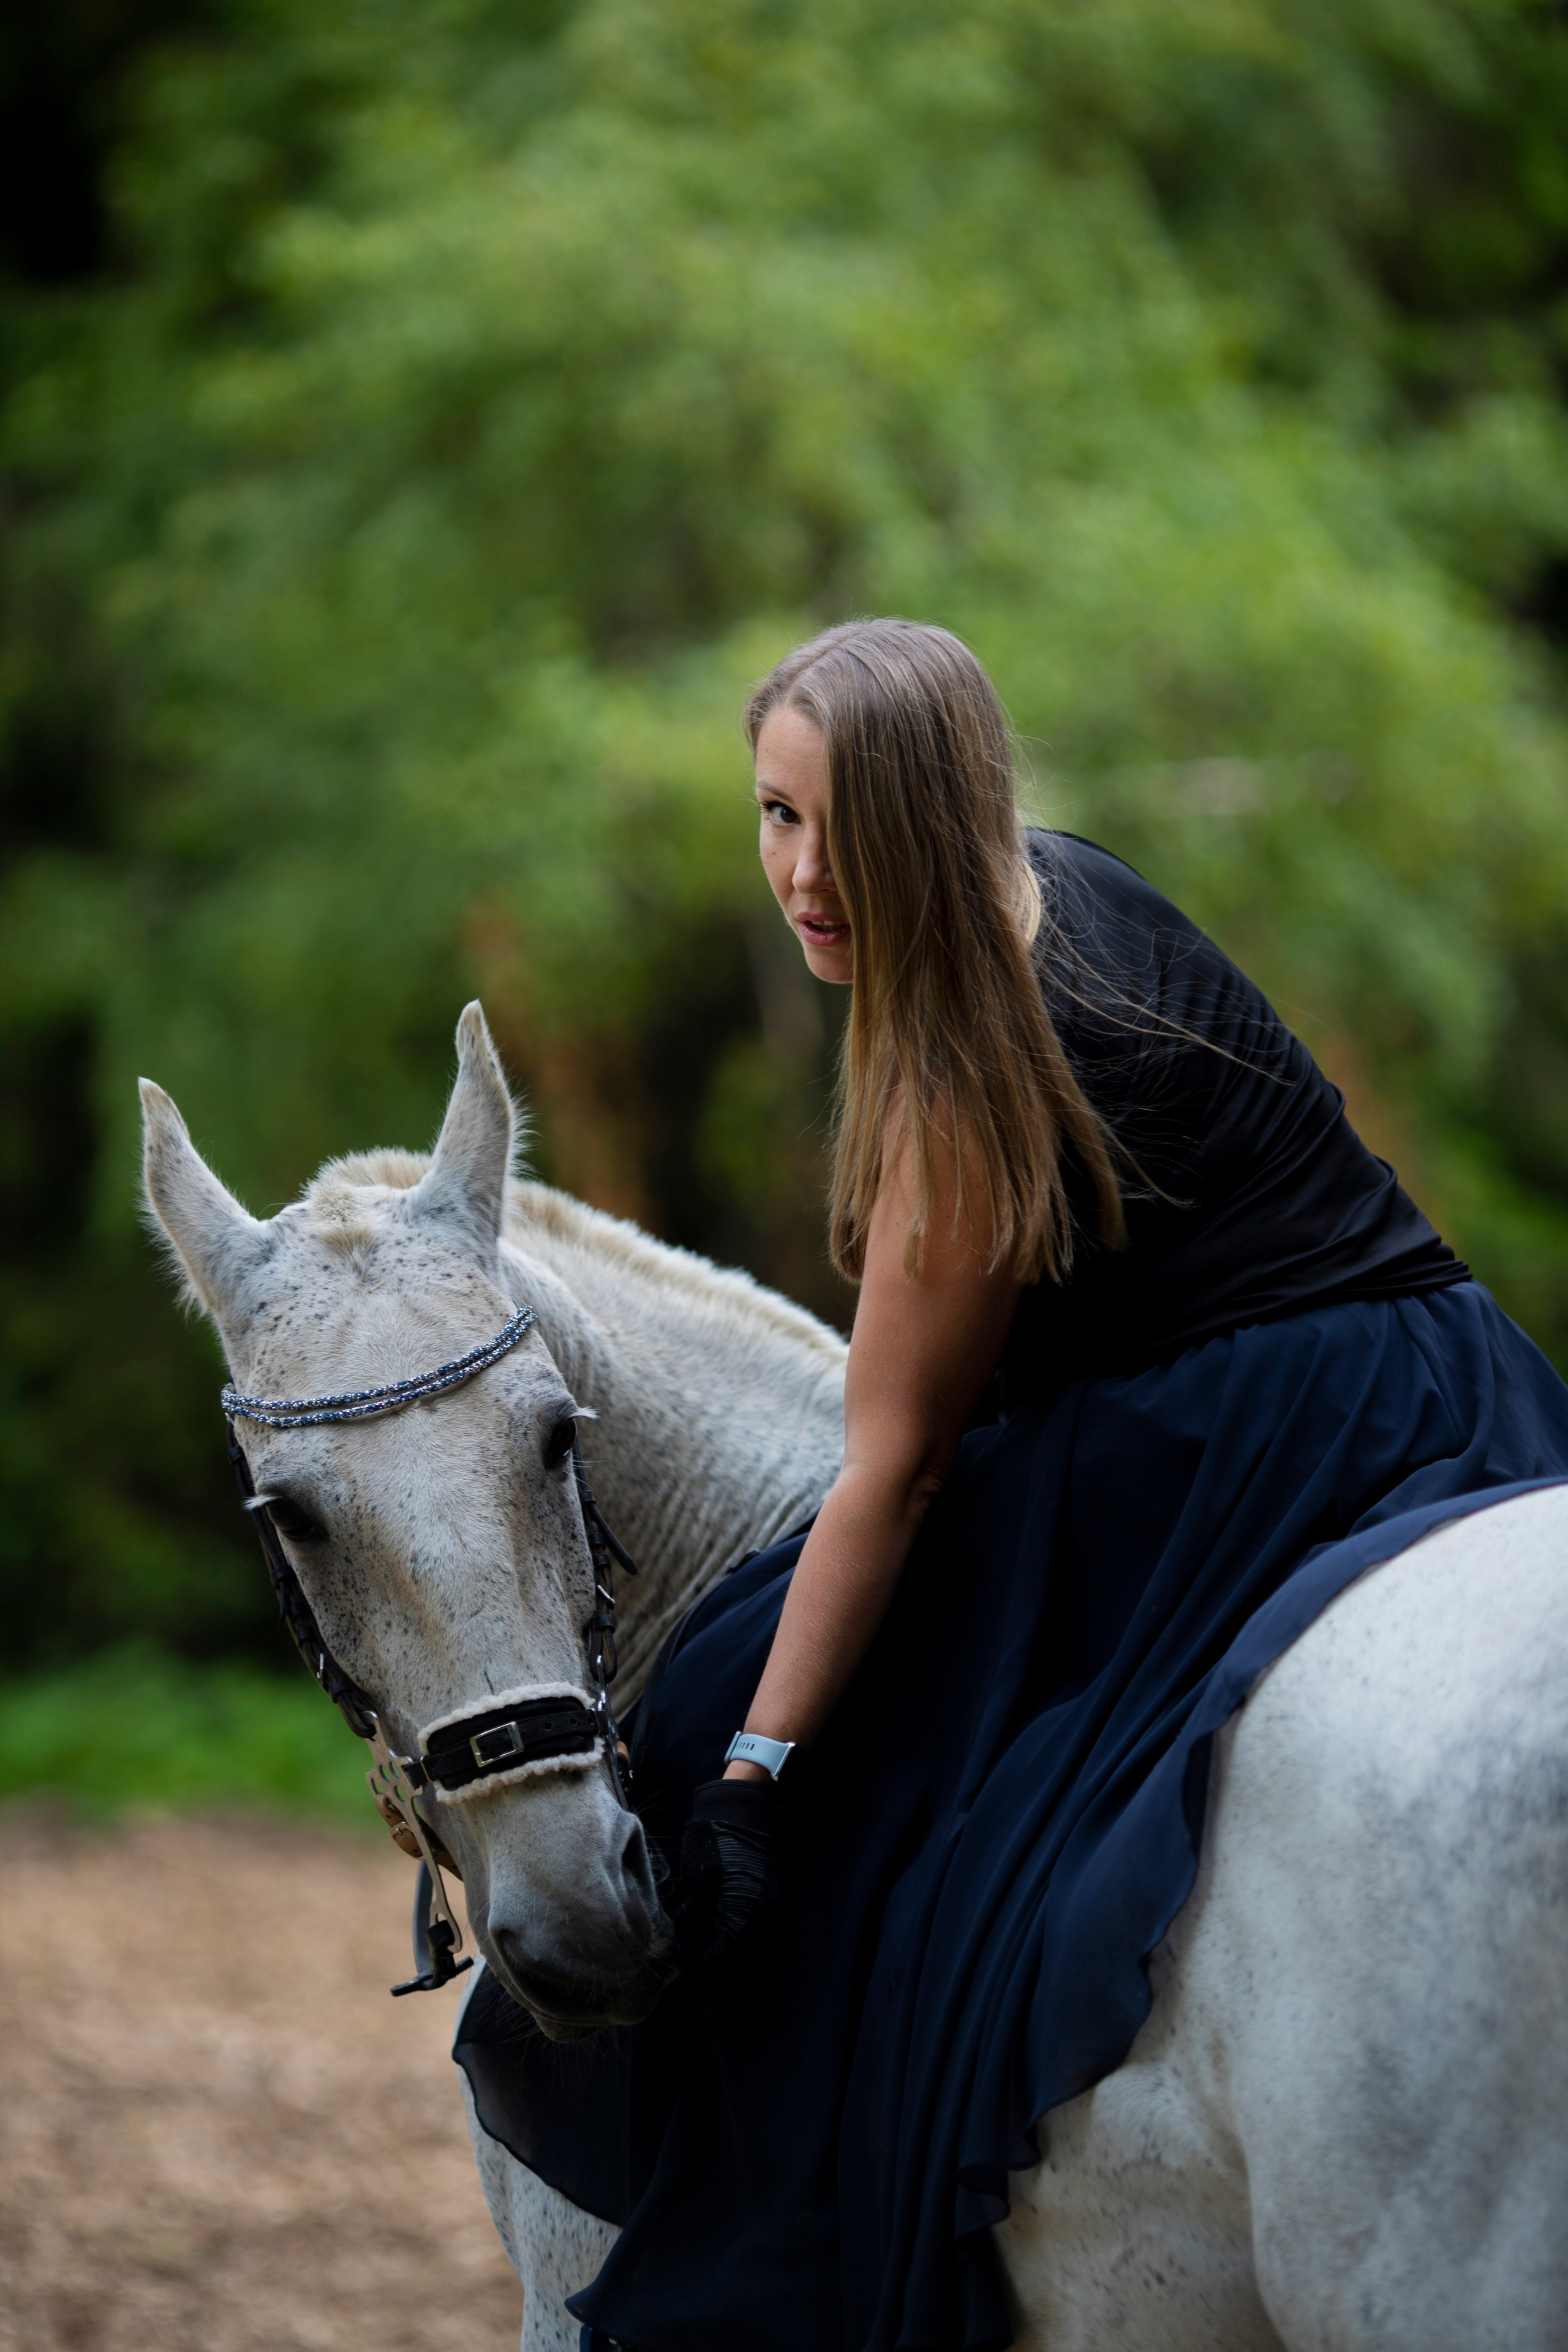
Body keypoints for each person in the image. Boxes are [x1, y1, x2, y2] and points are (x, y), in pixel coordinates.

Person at [473, 620, 1568, 2352]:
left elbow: (895, 1467)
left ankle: (788, 2271)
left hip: (1249, 1447)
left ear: (942, 819)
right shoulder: (1059, 886)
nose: (805, 876)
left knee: (748, 1745)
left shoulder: (957, 1069)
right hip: (1430, 1367)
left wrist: (756, 1774)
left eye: (849, 828)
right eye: (773, 816)